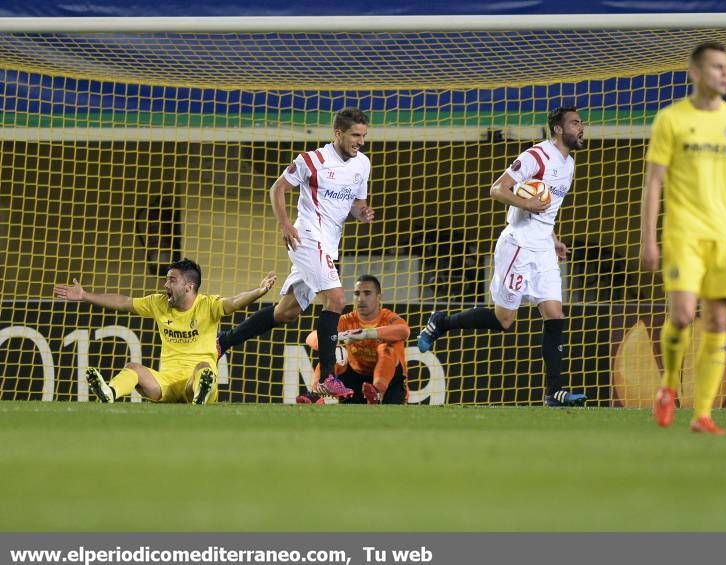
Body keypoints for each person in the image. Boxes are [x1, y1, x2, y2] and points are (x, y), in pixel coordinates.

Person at [417, 106, 587, 407]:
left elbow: (549, 211)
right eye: (575, 123)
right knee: (504, 320)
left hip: (544, 249)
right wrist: (527, 203)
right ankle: (441, 322)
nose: (581, 128)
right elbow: (497, 189)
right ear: (558, 129)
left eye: (581, 123)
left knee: (554, 314)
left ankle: (555, 392)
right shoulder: (537, 156)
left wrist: (555, 240)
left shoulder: (570, 164)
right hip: (518, 245)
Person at [641, 41, 726, 436]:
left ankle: (703, 414)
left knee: (716, 320)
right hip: (683, 234)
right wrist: (649, 238)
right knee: (681, 315)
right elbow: (654, 182)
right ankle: (668, 387)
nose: (725, 74)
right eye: (716, 67)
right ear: (695, 73)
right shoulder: (671, 120)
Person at [216, 108, 375, 399]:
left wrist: (362, 213)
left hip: (328, 244)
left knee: (285, 312)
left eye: (363, 135)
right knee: (337, 299)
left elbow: (356, 204)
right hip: (306, 237)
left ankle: (223, 341)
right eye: (355, 135)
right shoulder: (311, 160)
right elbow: (277, 189)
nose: (360, 142)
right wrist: (285, 224)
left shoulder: (362, 164)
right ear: (337, 133)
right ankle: (327, 377)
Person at [54, 258, 276, 404]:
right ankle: (109, 392)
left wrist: (259, 291)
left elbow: (235, 301)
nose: (165, 284)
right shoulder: (159, 303)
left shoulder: (208, 305)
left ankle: (200, 395)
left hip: (195, 381)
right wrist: (86, 295)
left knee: (203, 369)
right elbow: (124, 302)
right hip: (165, 384)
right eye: (166, 279)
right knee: (133, 368)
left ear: (189, 287)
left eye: (172, 280)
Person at [298, 274, 410, 404]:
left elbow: (404, 331)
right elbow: (310, 338)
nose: (361, 299)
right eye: (357, 294)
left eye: (367, 293)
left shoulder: (388, 317)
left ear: (379, 297)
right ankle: (316, 394)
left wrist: (366, 333)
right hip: (355, 379)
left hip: (390, 383)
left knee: (386, 348)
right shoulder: (347, 320)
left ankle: (377, 394)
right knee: (336, 352)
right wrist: (335, 338)